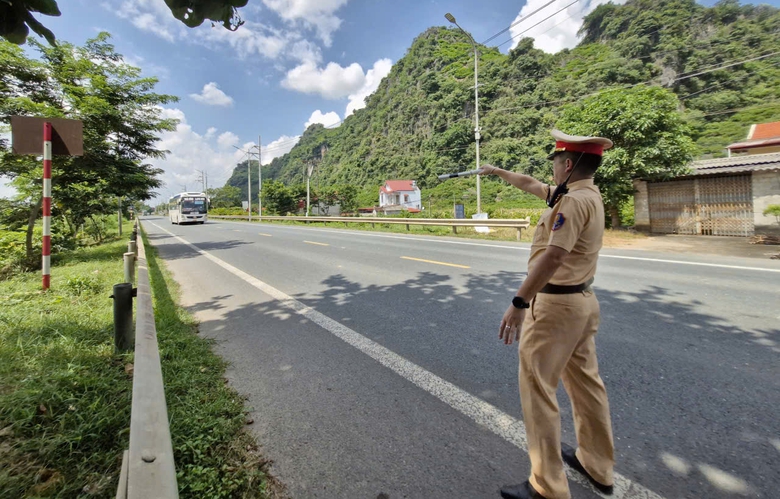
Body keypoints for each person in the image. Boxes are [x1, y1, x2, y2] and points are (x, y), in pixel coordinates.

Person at [479, 129, 616, 499]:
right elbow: (530, 184)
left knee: (538, 388)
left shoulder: (571, 202)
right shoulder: (586, 194)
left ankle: (547, 486)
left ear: (567, 164)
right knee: (587, 385)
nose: (552, 171)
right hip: (582, 303)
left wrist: (519, 302)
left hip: (556, 308)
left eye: (555, 163)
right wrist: (497, 171)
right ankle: (597, 464)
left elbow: (553, 256)